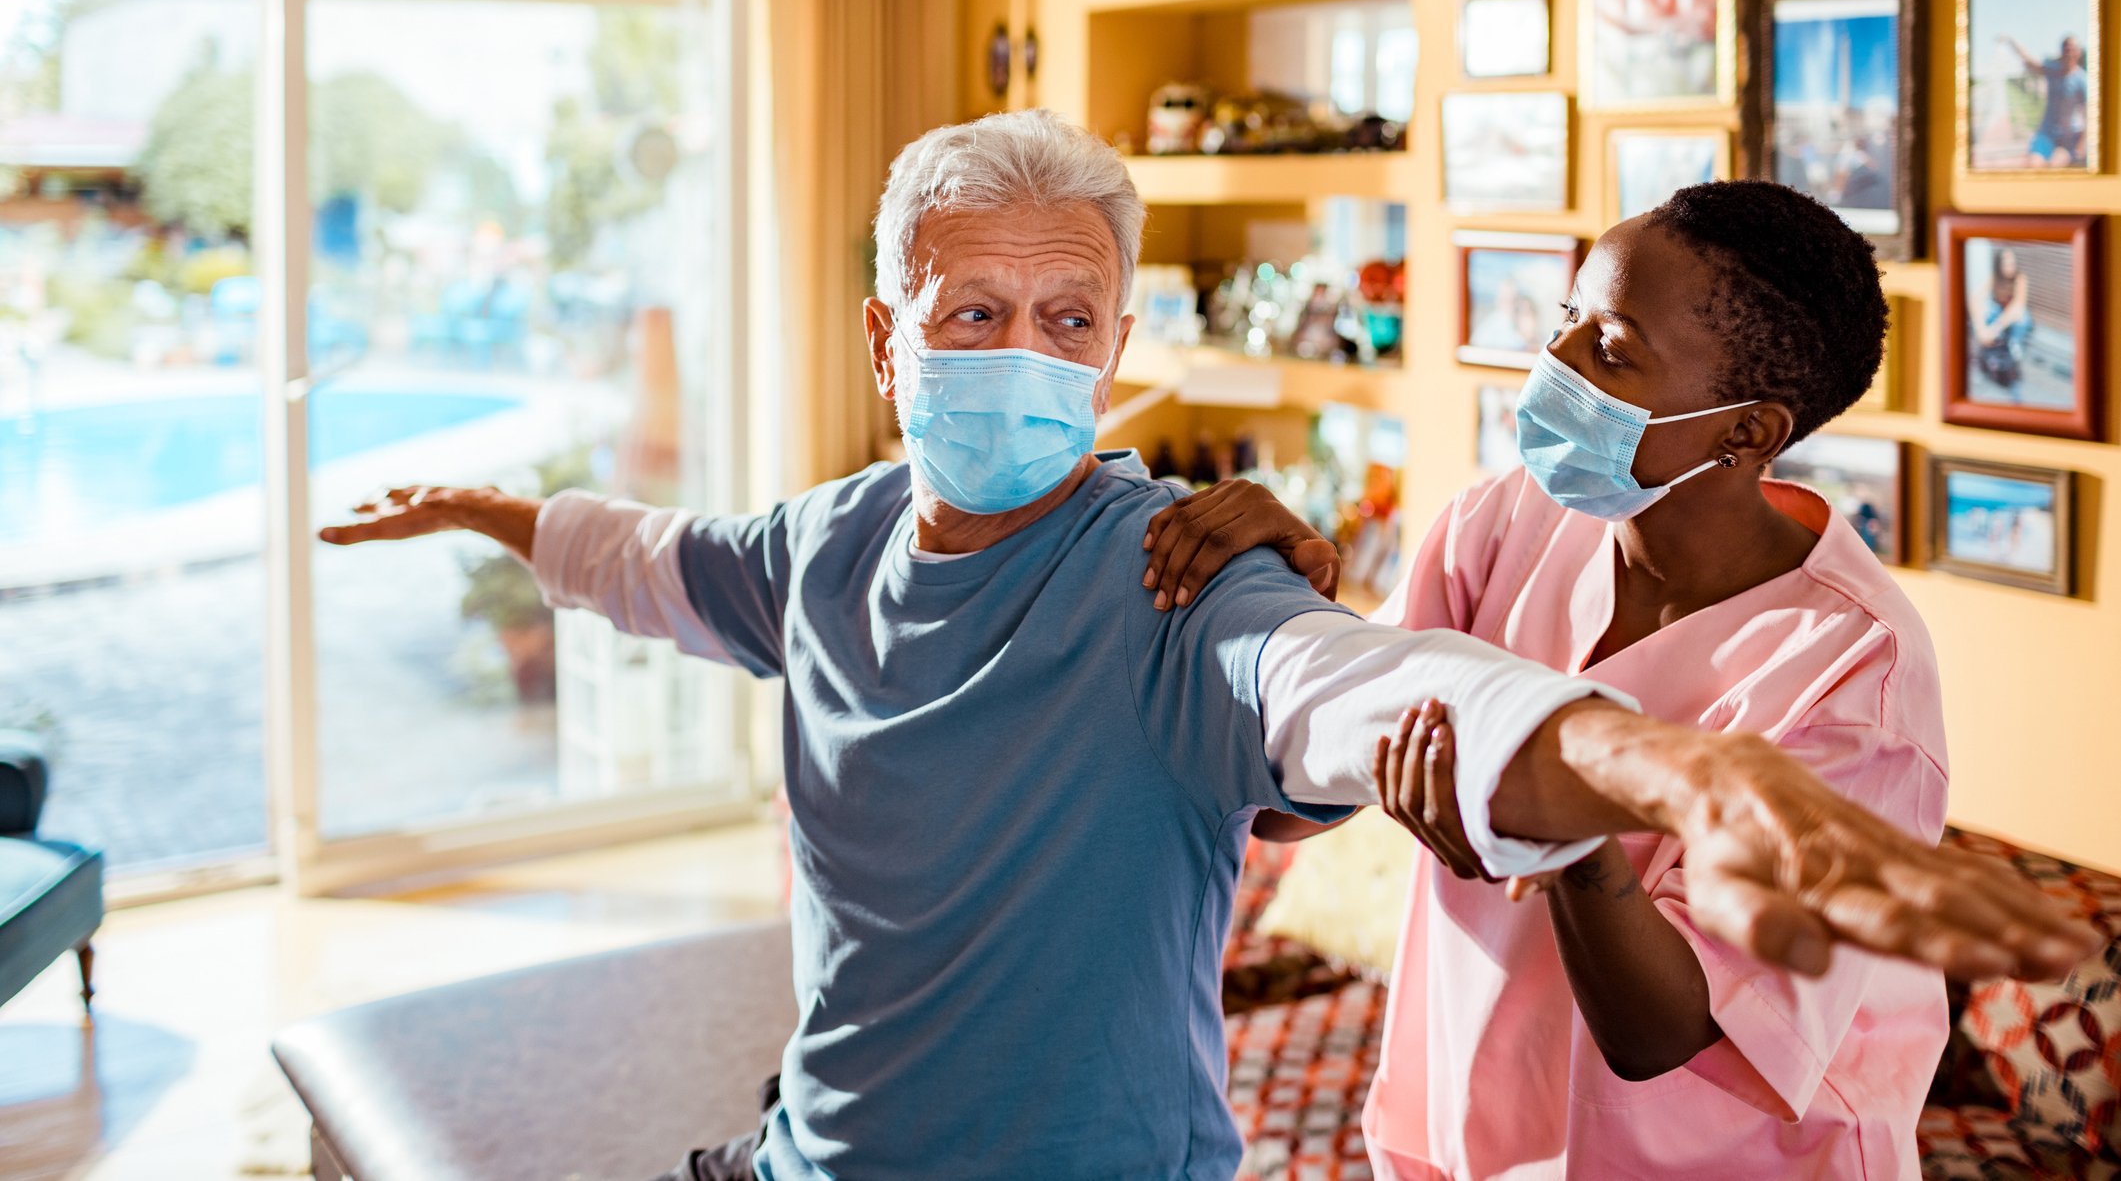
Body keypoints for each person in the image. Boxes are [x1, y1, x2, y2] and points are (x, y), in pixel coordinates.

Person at [322, 121, 2091, 1181]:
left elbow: (1375, 696)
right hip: (1434, 1116)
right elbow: (660, 559)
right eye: (971, 314)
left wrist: (1673, 771)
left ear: (1114, 349)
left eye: (1069, 317)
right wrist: (491, 509)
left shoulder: (1164, 574)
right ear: (887, 338)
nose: (1020, 351)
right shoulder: (830, 536)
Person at [1143, 180, 2077, 1179]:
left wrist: (1567, 830)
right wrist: (1289, 611)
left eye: (1614, 351)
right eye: (1566, 321)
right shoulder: (1504, 524)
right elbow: (1294, 807)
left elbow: (1660, 1029)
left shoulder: (1855, 677)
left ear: (1748, 432)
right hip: (1467, 1136)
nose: (1557, 365)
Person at [2001, 32, 2089, 166]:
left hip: (2070, 136)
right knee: (2032, 164)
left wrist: (2081, 144)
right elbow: (2029, 61)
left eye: (2071, 49)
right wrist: (2012, 41)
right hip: (2047, 132)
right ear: (2061, 52)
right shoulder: (2053, 71)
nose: (2068, 53)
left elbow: (2089, 115)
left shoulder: (2082, 80)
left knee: (2057, 163)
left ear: (2078, 52)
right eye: (2065, 49)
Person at [1972, 243, 2033, 396]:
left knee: (2022, 316)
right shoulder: (1995, 278)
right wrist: (1980, 328)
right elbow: (1975, 298)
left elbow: (2017, 306)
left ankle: (2014, 346)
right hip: (1998, 317)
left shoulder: (2020, 278)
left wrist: (1993, 330)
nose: (2009, 267)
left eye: (2012, 263)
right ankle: (1982, 362)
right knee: (1988, 310)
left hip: (2012, 321)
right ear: (1999, 264)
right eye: (2005, 263)